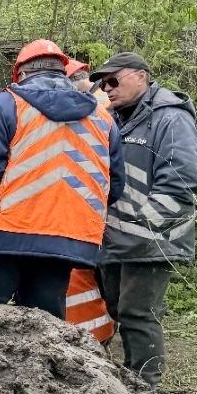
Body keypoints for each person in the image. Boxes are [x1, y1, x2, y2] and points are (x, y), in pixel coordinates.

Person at [0, 40, 124, 319]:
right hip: (65, 240)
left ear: (23, 74)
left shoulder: (6, 105)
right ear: (63, 73)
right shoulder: (103, 119)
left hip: (2, 236)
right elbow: (114, 186)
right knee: (46, 327)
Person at [89, 52, 197, 387]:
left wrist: (144, 228)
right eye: (102, 84)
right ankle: (129, 383)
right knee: (117, 310)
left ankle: (145, 389)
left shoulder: (171, 117)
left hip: (152, 239)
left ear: (141, 76)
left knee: (138, 314)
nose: (107, 88)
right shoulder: (113, 118)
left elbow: (181, 182)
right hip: (114, 239)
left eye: (113, 80)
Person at [63, 59, 115, 345]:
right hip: (100, 208)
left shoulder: (97, 109)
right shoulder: (106, 105)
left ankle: (95, 335)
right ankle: (104, 330)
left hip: (88, 211)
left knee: (81, 277)